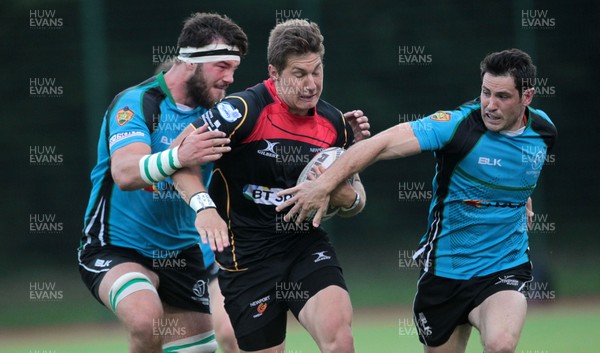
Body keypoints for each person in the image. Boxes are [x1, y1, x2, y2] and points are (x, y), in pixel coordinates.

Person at [277, 48, 557, 353]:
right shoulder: (456, 126)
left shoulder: (543, 132)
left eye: (502, 96)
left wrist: (522, 198)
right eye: (485, 92)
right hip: (444, 273)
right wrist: (324, 185)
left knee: (500, 344)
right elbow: (380, 144)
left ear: (527, 97)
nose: (490, 105)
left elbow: (522, 166)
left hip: (504, 265)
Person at [170, 19, 368, 353]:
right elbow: (179, 159)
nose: (311, 85)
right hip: (246, 259)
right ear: (274, 73)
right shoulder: (240, 111)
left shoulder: (335, 124)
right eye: (299, 74)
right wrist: (204, 209)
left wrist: (341, 192)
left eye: (317, 72)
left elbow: (357, 199)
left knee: (339, 336)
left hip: (304, 247)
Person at [78, 13, 248, 353]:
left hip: (184, 253)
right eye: (222, 67)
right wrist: (178, 157)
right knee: (146, 319)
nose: (230, 78)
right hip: (117, 246)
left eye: (234, 68)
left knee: (206, 347)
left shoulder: (218, 115)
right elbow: (125, 174)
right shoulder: (137, 103)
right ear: (190, 61)